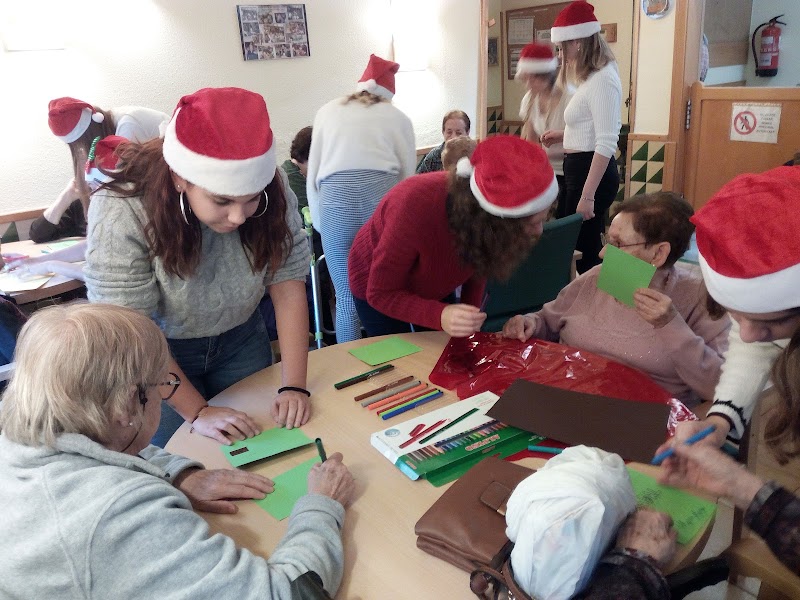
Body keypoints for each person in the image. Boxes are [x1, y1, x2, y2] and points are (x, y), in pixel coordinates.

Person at [0, 302, 355, 599]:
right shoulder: (117, 516)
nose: (165, 393)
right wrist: (322, 505)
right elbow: (288, 594)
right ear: (127, 405)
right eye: (163, 384)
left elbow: (104, 451)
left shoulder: (23, 430)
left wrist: (180, 475)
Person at [84, 87, 312, 447]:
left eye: (252, 199)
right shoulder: (121, 205)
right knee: (182, 455)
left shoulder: (275, 184)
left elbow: (287, 282)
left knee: (263, 444)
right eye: (222, 200)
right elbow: (132, 331)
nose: (239, 216)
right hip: (158, 353)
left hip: (242, 338)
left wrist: (295, 385)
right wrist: (198, 412)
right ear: (179, 177)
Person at [502, 192, 730, 406]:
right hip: (566, 401)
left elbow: (719, 390)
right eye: (608, 240)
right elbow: (547, 321)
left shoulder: (699, 296)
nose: (602, 254)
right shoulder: (599, 276)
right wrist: (529, 323)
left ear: (658, 254)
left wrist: (670, 326)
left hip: (640, 420)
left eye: (618, 244)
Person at [349, 135, 557, 338]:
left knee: (442, 352)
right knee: (396, 358)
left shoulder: (486, 222)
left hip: (432, 278)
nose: (539, 231)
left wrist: (469, 316)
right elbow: (380, 293)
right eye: (532, 223)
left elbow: (480, 264)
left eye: (543, 219)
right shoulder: (413, 206)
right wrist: (440, 315)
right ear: (497, 220)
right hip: (375, 283)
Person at [671, 166, 800, 449]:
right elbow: (755, 351)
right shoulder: (767, 316)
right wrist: (720, 420)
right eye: (737, 317)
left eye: (771, 324)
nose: (746, 336)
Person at [307, 54, 416, 342]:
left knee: (345, 297)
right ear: (388, 94)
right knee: (386, 290)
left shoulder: (327, 111)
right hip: (381, 199)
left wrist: (319, 220)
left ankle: (349, 369)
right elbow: (408, 178)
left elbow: (313, 170)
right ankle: (398, 364)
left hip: (333, 200)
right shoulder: (398, 117)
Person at [544, 1, 622, 272]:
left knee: (588, 252)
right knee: (580, 248)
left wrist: (587, 195)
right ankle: (596, 303)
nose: (560, 54)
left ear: (576, 42)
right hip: (579, 171)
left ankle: (620, 296)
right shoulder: (591, 78)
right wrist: (563, 135)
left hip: (591, 175)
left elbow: (606, 142)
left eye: (561, 47)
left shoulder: (603, 79)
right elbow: (590, 129)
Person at [31, 97, 168, 243]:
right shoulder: (85, 193)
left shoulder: (128, 125)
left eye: (84, 147)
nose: (85, 158)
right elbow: (37, 234)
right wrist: (67, 196)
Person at [9, 135, 128, 282]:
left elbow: (106, 278)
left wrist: (51, 265)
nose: (90, 195)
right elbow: (92, 245)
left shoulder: (124, 215)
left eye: (92, 187)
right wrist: (37, 261)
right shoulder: (100, 205)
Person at [516, 42, 573, 218]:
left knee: (567, 220)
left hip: (571, 171)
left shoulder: (570, 97)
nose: (527, 84)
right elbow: (530, 140)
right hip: (547, 171)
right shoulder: (529, 100)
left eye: (531, 79)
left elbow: (586, 136)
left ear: (546, 76)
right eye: (525, 79)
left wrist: (562, 136)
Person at [416, 110, 471, 174]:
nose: (453, 137)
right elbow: (419, 180)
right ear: (443, 132)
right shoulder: (434, 157)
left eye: (458, 133)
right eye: (449, 132)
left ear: (467, 133)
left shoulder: (474, 155)